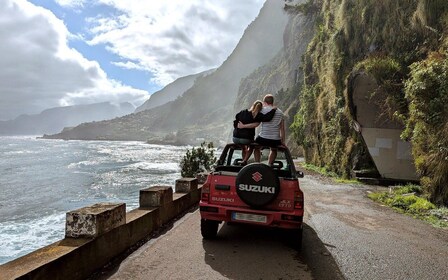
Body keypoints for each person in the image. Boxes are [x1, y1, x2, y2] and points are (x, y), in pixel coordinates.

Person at [238, 94, 285, 165]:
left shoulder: (262, 110)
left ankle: (257, 164)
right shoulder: (280, 112)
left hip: (263, 138)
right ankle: (269, 165)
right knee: (273, 149)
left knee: (256, 147)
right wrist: (283, 141)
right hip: (275, 139)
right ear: (272, 102)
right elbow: (282, 129)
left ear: (264, 102)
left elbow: (256, 123)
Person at [233, 100, 276, 165]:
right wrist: (273, 110)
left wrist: (239, 127)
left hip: (235, 138)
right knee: (252, 146)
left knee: (243, 148)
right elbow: (268, 117)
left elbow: (236, 120)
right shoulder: (257, 115)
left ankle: (243, 163)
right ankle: (245, 161)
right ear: (261, 109)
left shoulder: (242, 112)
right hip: (246, 139)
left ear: (252, 105)